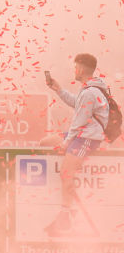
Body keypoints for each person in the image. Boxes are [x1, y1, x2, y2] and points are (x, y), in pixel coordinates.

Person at [45, 53, 114, 236]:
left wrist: (67, 143)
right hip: (81, 134)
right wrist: (58, 90)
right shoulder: (90, 90)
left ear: (81, 69)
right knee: (46, 142)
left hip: (87, 138)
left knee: (66, 173)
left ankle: (65, 214)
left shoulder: (91, 92)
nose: (73, 70)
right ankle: (66, 206)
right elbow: (77, 104)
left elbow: (79, 122)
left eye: (75, 66)